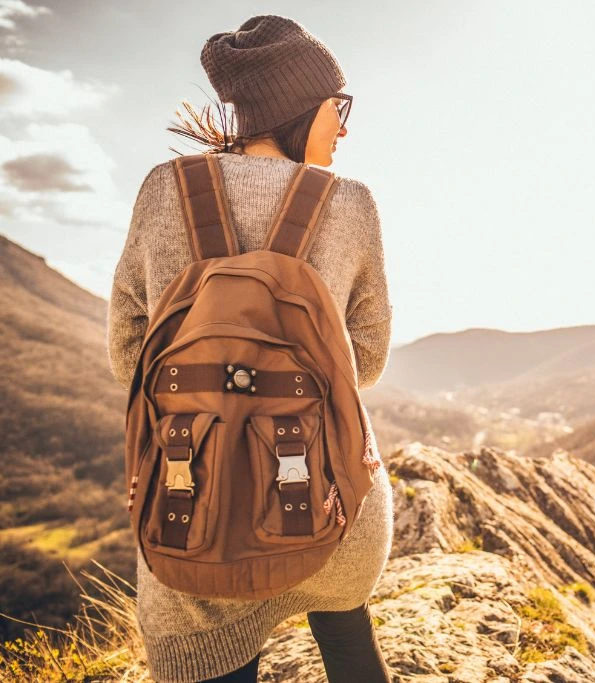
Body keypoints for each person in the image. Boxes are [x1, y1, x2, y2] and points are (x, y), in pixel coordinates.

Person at [105, 14, 395, 683]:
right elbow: (368, 361)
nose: (346, 126)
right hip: (333, 507)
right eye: (338, 107)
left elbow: (130, 356)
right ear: (299, 108)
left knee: (205, 643)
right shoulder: (351, 204)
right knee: (351, 644)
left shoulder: (162, 189)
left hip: (194, 511)